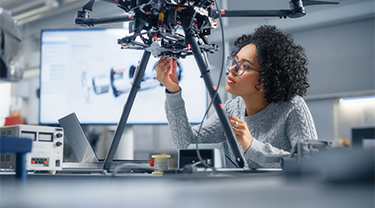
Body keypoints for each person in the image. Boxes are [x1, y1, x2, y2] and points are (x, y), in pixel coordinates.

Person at [155, 25, 318, 168]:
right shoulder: (233, 108)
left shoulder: (292, 107)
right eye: (235, 61)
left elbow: (310, 163)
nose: (232, 69)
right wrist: (173, 92)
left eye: (244, 66)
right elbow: (186, 143)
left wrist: (251, 146)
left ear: (265, 81)